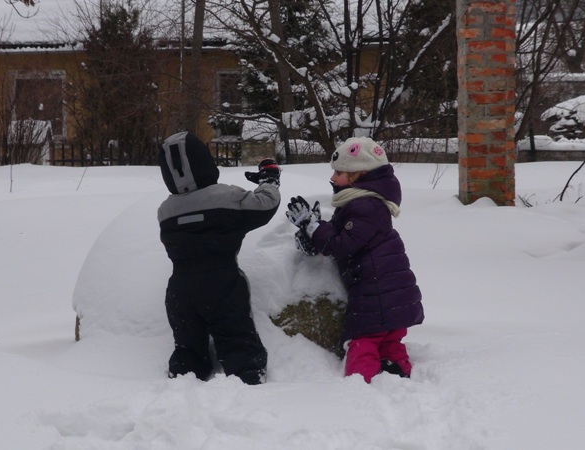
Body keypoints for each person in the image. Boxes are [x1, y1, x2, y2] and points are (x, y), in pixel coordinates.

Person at [285, 136, 424, 383]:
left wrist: (313, 226)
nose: (332, 178)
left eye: (339, 172)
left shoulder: (365, 206)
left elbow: (342, 245)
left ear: (358, 175)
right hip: (390, 293)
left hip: (376, 293)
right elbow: (347, 233)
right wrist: (316, 230)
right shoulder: (364, 203)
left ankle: (363, 384)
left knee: (364, 341)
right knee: (390, 338)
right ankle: (398, 371)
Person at [157, 131, 281, 385]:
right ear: (205, 163)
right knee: (237, 341)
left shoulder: (165, 211)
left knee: (187, 347)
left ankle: (181, 385)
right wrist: (269, 180)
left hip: (180, 290)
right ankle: (248, 383)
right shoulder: (226, 198)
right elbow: (266, 205)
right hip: (222, 285)